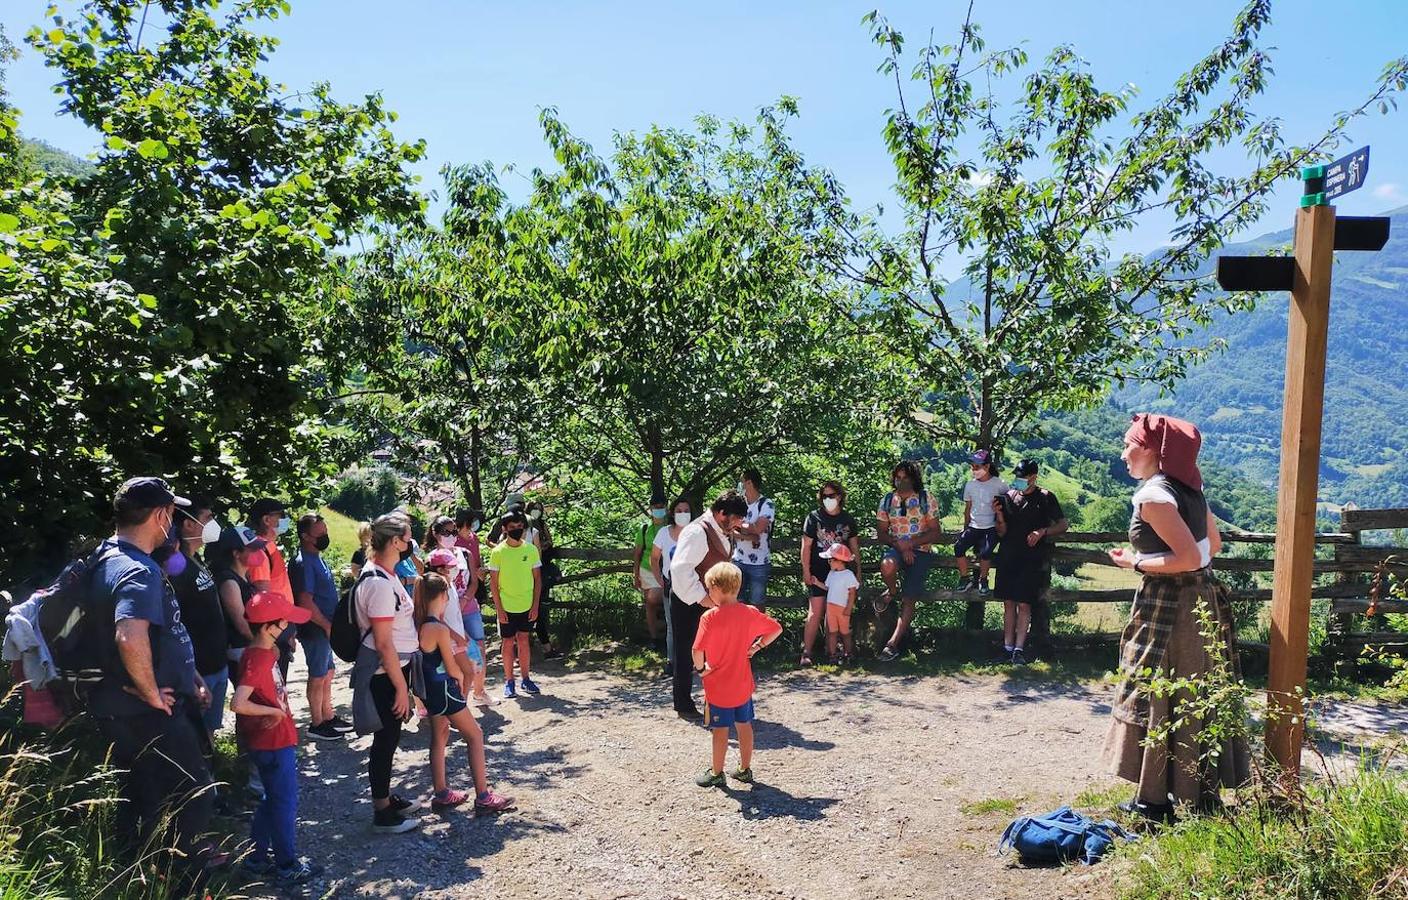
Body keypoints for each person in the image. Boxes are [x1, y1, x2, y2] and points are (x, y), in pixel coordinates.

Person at [1102, 413, 1249, 821]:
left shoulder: (1154, 496)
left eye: (1129, 444)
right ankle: (1199, 794)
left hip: (1171, 607)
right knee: (1194, 691)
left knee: (1158, 689)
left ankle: (1153, 803)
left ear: (1152, 450)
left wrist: (1136, 562)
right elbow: (1211, 547)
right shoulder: (1191, 489)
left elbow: (1185, 557)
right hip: (1202, 602)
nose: (1124, 453)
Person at [87, 477, 217, 892]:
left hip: (121, 706)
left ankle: (140, 877)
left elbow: (161, 637)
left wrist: (188, 673)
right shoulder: (138, 570)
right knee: (195, 794)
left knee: (144, 797)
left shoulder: (106, 556)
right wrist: (148, 690)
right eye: (171, 515)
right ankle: (185, 882)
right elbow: (129, 634)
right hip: (147, 712)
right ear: (161, 516)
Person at [231, 590, 323, 885]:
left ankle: (257, 858)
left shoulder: (260, 652)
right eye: (284, 623)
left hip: (269, 740)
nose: (289, 627)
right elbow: (238, 702)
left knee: (271, 800)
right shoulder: (258, 659)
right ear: (269, 627)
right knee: (284, 803)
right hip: (273, 742)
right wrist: (275, 712)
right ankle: (287, 864)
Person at [411, 572, 516, 815]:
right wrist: (462, 682)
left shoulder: (418, 624)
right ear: (441, 595)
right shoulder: (437, 627)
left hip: (430, 690)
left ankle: (442, 793)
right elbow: (452, 667)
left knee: (440, 736)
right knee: (475, 735)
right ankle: (483, 796)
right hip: (445, 689)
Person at [348, 513, 424, 834]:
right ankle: (381, 811)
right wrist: (399, 688)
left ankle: (385, 798)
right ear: (394, 541)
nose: (410, 544)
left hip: (394, 670)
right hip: (385, 675)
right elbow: (383, 642)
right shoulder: (378, 584)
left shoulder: (384, 574)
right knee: (386, 739)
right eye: (407, 539)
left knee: (390, 737)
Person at [691, 562, 783, 787]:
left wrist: (702, 670)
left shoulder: (709, 618)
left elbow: (697, 650)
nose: (708, 593)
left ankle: (717, 772)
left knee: (720, 730)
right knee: (744, 726)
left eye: (708, 588)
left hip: (718, 687)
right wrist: (757, 647)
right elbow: (776, 629)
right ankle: (744, 769)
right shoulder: (750, 613)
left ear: (716, 587)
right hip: (742, 685)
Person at [669, 490, 748, 722]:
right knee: (686, 652)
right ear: (722, 513)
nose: (737, 524)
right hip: (688, 601)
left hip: (712, 600)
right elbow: (680, 570)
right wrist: (701, 598)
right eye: (735, 518)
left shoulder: (722, 530)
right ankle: (683, 704)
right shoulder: (697, 532)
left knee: (715, 653)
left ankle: (718, 702)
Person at [165, 495, 229, 737]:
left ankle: (214, 773)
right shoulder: (175, 566)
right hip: (198, 671)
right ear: (189, 524)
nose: (213, 523)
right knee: (195, 737)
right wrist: (192, 674)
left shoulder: (196, 559)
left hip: (216, 664)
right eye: (208, 517)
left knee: (209, 733)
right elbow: (174, 622)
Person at [992, 460, 1068, 664]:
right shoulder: (1009, 496)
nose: (1018, 481)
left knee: (1024, 605)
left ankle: (1019, 649)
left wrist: (1042, 531)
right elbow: (1002, 531)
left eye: (1022, 477)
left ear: (1033, 477)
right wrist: (999, 514)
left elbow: (1063, 525)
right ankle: (1007, 648)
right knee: (1008, 603)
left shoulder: (1045, 497)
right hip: (1008, 555)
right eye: (1017, 476)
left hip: (1031, 558)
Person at [290, 513, 351, 741]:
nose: (325, 537)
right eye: (320, 534)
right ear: (306, 536)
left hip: (326, 628)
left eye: (326, 532)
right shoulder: (303, 562)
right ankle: (317, 723)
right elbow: (306, 601)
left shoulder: (316, 556)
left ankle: (328, 715)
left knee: (328, 672)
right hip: (315, 628)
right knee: (317, 676)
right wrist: (326, 626)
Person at [875, 460, 943, 661]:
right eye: (898, 477)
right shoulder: (888, 500)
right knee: (887, 566)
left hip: (920, 550)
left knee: (909, 597)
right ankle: (892, 591)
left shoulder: (925, 498)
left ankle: (892, 644)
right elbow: (881, 532)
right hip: (897, 548)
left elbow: (935, 531)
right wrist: (900, 546)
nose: (901, 481)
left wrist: (910, 544)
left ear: (914, 478)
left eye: (905, 477)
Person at [799, 481, 861, 667]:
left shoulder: (848, 519)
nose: (827, 499)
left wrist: (858, 572)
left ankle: (833, 651)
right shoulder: (813, 517)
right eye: (824, 496)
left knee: (837, 611)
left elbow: (854, 548)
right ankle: (807, 652)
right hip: (818, 570)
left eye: (831, 495)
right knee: (815, 612)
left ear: (840, 496)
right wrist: (806, 571)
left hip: (842, 573)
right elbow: (806, 546)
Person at [425, 547, 490, 705]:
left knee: (466, 673)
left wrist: (465, 636)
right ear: (440, 569)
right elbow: (439, 619)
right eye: (451, 567)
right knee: (463, 674)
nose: (455, 569)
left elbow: (455, 616)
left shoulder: (450, 585)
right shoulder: (439, 590)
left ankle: (460, 707)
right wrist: (457, 637)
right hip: (450, 641)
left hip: (458, 638)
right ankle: (458, 708)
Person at [489, 510, 543, 699]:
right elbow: (493, 584)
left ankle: (526, 679)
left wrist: (535, 605)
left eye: (520, 527)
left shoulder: (531, 549)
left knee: (523, 640)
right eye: (512, 527)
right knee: (507, 642)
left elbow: (537, 579)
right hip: (507, 606)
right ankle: (509, 681)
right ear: (504, 529)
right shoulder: (497, 552)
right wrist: (499, 609)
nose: (516, 530)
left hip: (526, 604)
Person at [246, 497, 296, 682]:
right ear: (266, 520)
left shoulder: (269, 546)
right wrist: (273, 639)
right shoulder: (259, 551)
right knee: (273, 688)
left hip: (282, 628)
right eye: (280, 515)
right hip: (274, 632)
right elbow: (262, 598)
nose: (284, 519)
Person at [955, 450, 1008, 594]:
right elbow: (968, 508)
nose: (974, 470)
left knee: (986, 552)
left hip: (991, 526)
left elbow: (1007, 504)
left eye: (977, 467)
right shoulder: (970, 485)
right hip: (974, 526)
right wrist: (965, 527)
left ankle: (983, 579)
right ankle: (964, 577)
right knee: (958, 548)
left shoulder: (1000, 484)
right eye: (972, 467)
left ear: (987, 466)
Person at [650, 497, 693, 673]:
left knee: (692, 624)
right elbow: (654, 558)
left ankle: (691, 660)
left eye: (686, 511)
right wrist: (659, 578)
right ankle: (671, 661)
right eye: (679, 511)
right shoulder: (663, 533)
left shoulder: (696, 533)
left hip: (692, 586)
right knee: (672, 625)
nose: (682, 514)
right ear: (672, 513)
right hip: (671, 586)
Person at [730, 469, 775, 609]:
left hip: (760, 563)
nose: (740, 486)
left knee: (757, 603)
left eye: (742, 482)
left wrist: (740, 526)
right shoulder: (738, 503)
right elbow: (730, 527)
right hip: (738, 560)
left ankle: (758, 631)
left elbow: (758, 529)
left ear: (749, 483)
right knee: (736, 600)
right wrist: (748, 535)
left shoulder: (767, 504)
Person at [525, 500, 562, 658]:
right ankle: (530, 648)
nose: (537, 511)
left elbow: (550, 542)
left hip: (539, 573)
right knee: (533, 612)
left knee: (538, 611)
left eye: (539, 509)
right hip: (530, 574)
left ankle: (542, 647)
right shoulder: (526, 529)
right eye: (535, 509)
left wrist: (544, 545)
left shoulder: (539, 527)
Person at [633, 493, 670, 644]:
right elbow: (637, 554)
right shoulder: (644, 529)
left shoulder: (671, 527)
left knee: (664, 599)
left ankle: (669, 634)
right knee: (650, 603)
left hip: (666, 569)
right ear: (650, 509)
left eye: (662, 507)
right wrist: (636, 575)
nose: (659, 510)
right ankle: (654, 638)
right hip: (647, 570)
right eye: (656, 507)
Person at [820, 544, 859, 665]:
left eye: (830, 560)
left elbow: (852, 593)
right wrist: (816, 583)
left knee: (845, 632)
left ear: (839, 561)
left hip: (842, 608)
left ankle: (849, 653)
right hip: (830, 606)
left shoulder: (848, 575)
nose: (829, 563)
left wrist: (849, 608)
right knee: (832, 631)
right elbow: (827, 587)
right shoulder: (831, 574)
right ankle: (832, 655)